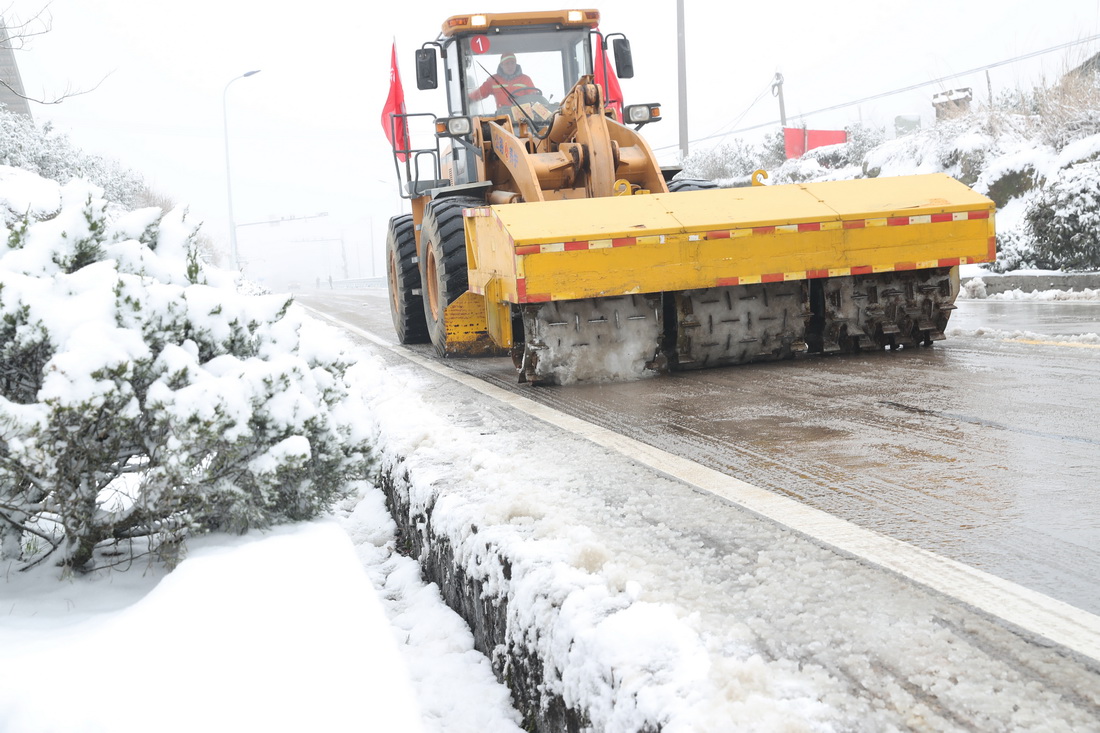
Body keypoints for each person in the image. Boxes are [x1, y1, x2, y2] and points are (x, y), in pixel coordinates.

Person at [468, 53, 539, 108]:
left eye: (512, 63)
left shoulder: (525, 79)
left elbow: (533, 97)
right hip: (502, 118)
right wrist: (468, 99)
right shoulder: (493, 80)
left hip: (523, 118)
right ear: (501, 65)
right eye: (507, 63)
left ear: (516, 64)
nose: (510, 66)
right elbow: (480, 93)